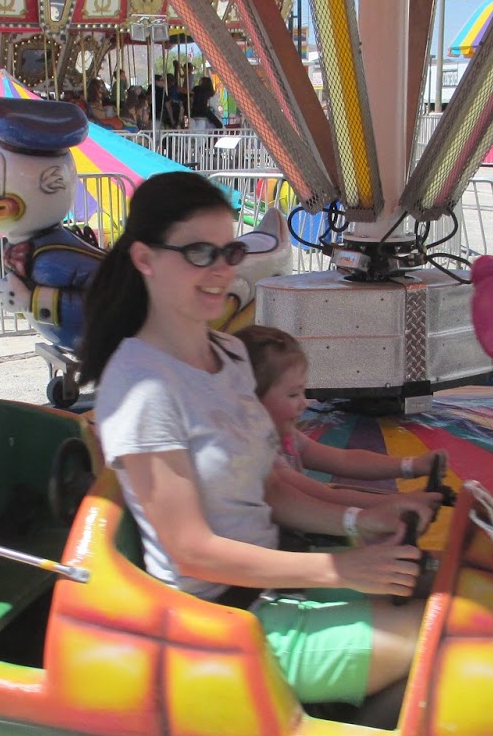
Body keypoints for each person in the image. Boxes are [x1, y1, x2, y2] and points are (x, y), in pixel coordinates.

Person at [79, 172, 428, 706]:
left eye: (230, 251)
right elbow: (190, 551)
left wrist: (361, 521)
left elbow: (267, 489)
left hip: (273, 582)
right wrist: (339, 570)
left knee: (448, 593)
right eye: (199, 252)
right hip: (215, 625)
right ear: (145, 259)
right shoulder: (141, 387)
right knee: (443, 643)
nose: (221, 270)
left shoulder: (233, 355)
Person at [237, 325, 445, 516]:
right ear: (252, 401)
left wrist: (410, 466)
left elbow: (343, 460)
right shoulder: (260, 459)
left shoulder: (286, 438)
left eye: (302, 393)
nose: (304, 404)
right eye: (293, 395)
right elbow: (324, 497)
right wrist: (401, 502)